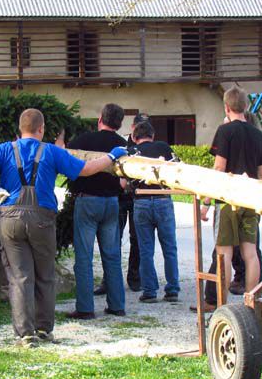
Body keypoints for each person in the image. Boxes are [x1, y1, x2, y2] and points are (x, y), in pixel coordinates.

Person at [0, 108, 126, 347]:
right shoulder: (51, 151)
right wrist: (111, 157)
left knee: (20, 277)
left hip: (10, 218)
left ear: (20, 129)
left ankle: (25, 334)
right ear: (41, 129)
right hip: (42, 218)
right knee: (45, 275)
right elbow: (85, 169)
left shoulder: (4, 149)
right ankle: (44, 329)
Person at [203, 86, 262, 293]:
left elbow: (219, 167)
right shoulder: (258, 135)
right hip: (249, 200)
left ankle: (222, 301)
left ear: (226, 107)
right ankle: (251, 299)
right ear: (246, 106)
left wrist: (205, 202)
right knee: (250, 253)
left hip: (227, 200)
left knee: (224, 254)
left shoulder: (225, 131)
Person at [67, 103, 129, 319]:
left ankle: (85, 308)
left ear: (100, 119)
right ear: (120, 123)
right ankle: (117, 305)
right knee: (112, 256)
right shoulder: (124, 145)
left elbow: (68, 162)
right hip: (112, 202)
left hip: (87, 202)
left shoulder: (84, 140)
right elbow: (125, 182)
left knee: (84, 257)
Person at [95, 113, 146, 295]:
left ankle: (134, 278)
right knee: (113, 239)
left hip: (135, 198)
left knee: (136, 239)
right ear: (132, 128)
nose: (140, 129)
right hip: (120, 197)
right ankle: (109, 280)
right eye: (138, 126)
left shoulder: (144, 146)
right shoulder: (122, 143)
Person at [130, 121, 180, 302]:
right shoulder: (163, 148)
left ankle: (150, 291)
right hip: (163, 199)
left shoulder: (131, 152)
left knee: (145, 249)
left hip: (142, 201)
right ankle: (172, 289)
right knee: (170, 247)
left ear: (135, 138)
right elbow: (178, 170)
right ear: (153, 135)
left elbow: (122, 183)